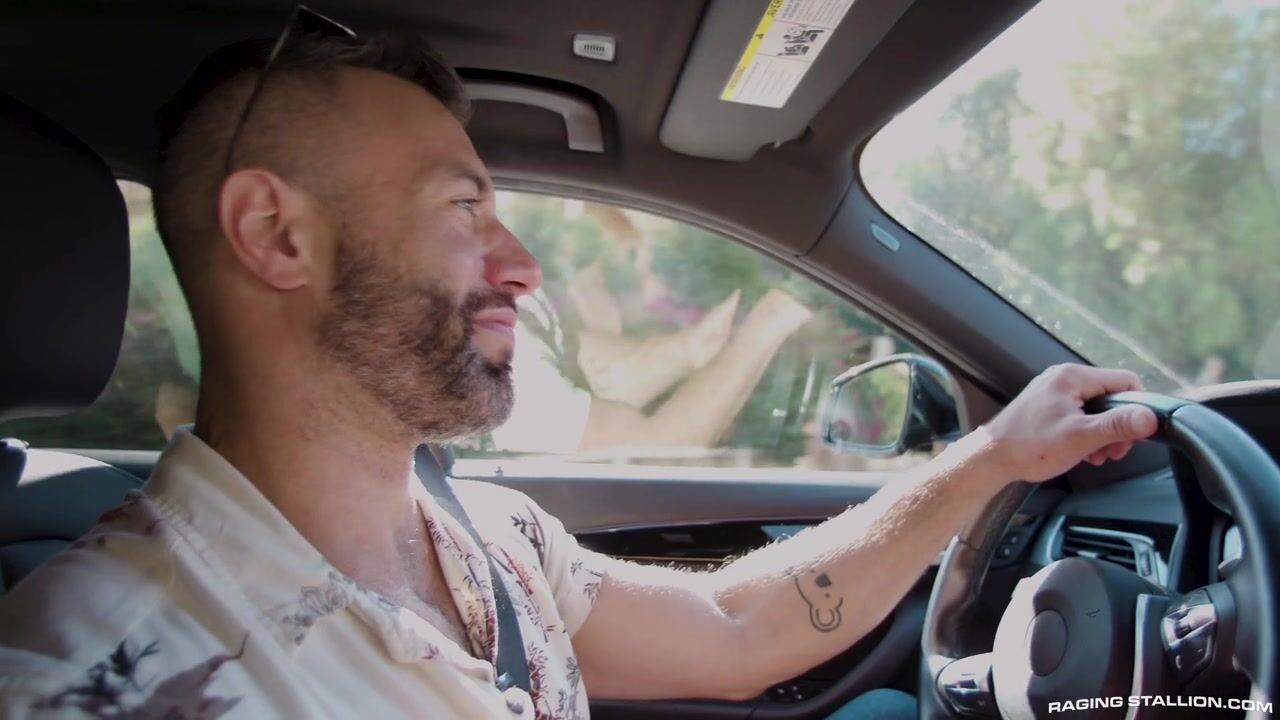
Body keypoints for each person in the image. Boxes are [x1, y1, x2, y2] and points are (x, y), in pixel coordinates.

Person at [0, 19, 1158, 720]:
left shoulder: (489, 541)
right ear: (276, 236)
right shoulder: (92, 675)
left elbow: (733, 626)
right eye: (463, 209)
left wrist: (990, 457)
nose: (522, 266)